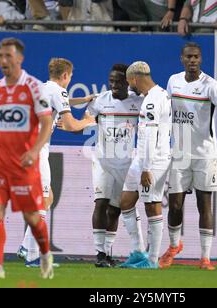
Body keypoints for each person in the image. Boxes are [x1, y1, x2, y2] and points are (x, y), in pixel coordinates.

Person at [160, 42, 217, 270]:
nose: (193, 60)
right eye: (189, 57)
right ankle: (174, 246)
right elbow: (166, 112)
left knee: (204, 205)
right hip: (179, 153)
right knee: (175, 205)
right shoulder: (173, 81)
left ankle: (205, 258)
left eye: (196, 57)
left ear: (201, 59)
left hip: (205, 154)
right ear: (182, 59)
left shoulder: (211, 85)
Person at [0, 38, 55, 280]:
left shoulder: (34, 87)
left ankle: (44, 253)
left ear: (19, 59)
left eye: (8, 56)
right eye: (0, 56)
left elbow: (46, 122)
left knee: (32, 217)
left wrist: (34, 151)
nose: (3, 61)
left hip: (23, 164)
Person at [16, 58, 96, 267]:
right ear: (65, 76)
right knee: (43, 199)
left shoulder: (43, 87)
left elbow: (63, 101)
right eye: (70, 78)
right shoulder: (58, 92)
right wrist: (88, 121)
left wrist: (85, 99)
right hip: (36, 149)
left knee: (47, 197)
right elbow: (70, 125)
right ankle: (31, 255)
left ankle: (26, 246)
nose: (69, 81)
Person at [85, 64, 144, 268]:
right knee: (100, 203)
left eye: (118, 81)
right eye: (111, 81)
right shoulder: (100, 101)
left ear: (127, 82)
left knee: (115, 210)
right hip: (102, 161)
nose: (114, 85)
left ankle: (107, 252)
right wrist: (73, 124)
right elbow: (85, 121)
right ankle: (99, 253)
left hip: (126, 164)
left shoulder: (139, 102)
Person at [119, 61, 172, 269]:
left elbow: (151, 135)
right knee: (126, 201)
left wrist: (147, 167)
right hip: (141, 158)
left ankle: (152, 260)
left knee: (152, 204)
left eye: (129, 82)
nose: (129, 87)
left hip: (153, 160)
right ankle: (138, 251)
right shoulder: (158, 95)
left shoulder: (152, 101)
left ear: (134, 79)